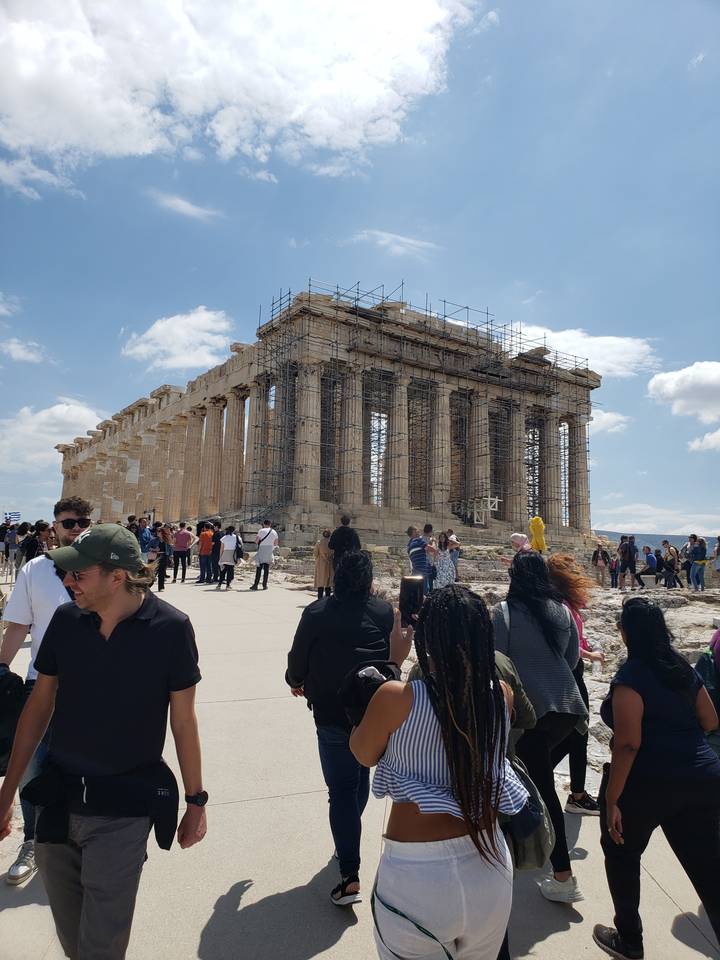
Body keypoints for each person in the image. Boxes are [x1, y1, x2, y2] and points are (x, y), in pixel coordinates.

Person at [350, 584, 528, 959]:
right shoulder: (502, 694)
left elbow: (363, 754)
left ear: (426, 638)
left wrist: (392, 662)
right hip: (490, 864)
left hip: (418, 878)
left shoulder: (396, 698)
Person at [593, 597, 720, 960]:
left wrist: (613, 799)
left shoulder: (629, 678)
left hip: (646, 783)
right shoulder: (682, 668)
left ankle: (629, 941)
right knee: (709, 869)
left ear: (626, 632)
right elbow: (710, 721)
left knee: (621, 854)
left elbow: (628, 744)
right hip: (701, 778)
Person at [286, 551, 394, 905]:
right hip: (372, 714)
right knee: (357, 777)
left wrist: (295, 680)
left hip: (332, 713)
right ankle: (348, 833)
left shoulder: (317, 613)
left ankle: (349, 872)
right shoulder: (381, 611)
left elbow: (297, 660)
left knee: (342, 791)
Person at [0, 497, 93, 886]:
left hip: (93, 687)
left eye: (81, 522)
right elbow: (19, 625)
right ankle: (34, 841)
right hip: (43, 683)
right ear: (54, 526)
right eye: (68, 523)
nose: (75, 529)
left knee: (88, 768)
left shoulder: (103, 570)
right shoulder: (36, 570)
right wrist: (1, 669)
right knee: (31, 766)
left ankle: (83, 843)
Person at [492, 551, 587, 903]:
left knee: (542, 787)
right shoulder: (561, 610)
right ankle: (523, 838)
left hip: (532, 714)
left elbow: (497, 662)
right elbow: (572, 658)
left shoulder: (504, 614)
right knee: (531, 774)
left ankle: (563, 877)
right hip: (566, 711)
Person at [547, 554, 604, 816]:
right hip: (570, 674)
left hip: (571, 673)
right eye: (572, 569)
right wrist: (588, 654)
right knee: (578, 733)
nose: (578, 572)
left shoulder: (568, 604)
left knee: (575, 735)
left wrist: (586, 645)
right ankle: (577, 796)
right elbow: (566, 645)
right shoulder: (562, 606)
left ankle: (541, 774)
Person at [250, 520, 278, 591]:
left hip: (262, 550)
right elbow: (276, 543)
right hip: (269, 551)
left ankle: (255, 585)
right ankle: (264, 585)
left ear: (263, 524)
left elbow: (256, 541)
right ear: (270, 524)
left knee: (259, 568)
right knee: (266, 569)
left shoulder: (261, 531)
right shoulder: (274, 532)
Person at [406, 525, 431, 594]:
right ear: (414, 532)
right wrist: (434, 541)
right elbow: (432, 549)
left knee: (417, 593)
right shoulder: (418, 540)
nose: (419, 531)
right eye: (417, 530)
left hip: (415, 570)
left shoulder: (409, 545)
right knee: (424, 592)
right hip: (422, 571)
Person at [217, 525, 241, 589]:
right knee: (230, 570)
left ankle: (219, 584)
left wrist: (220, 557)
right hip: (233, 555)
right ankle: (228, 585)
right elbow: (240, 546)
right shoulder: (237, 537)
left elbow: (221, 549)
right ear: (234, 530)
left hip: (225, 554)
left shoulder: (224, 538)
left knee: (223, 570)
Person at [313, 529, 334, 600]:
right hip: (329, 564)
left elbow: (315, 553)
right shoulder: (332, 543)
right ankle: (327, 599)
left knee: (320, 582)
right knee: (328, 583)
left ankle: (319, 599)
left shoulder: (319, 543)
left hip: (321, 564)